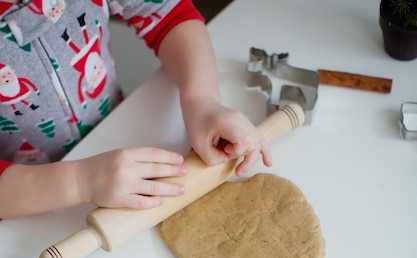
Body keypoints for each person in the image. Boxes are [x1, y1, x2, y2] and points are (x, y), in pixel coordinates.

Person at [0, 0, 271, 219]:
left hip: (120, 135)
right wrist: (78, 182)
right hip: (26, 195)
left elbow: (167, 14)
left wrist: (202, 98)